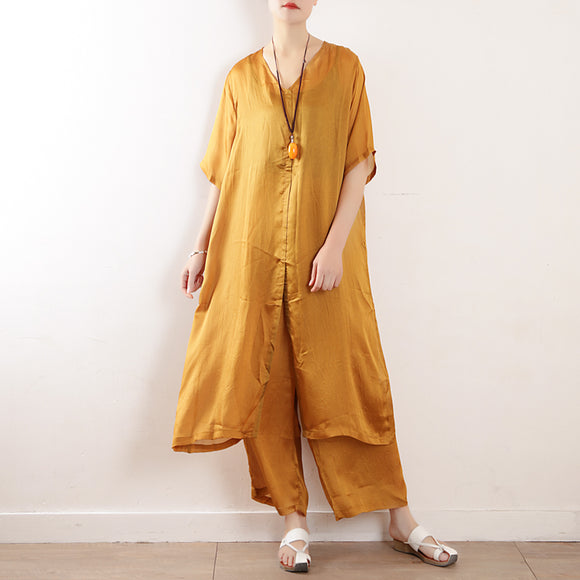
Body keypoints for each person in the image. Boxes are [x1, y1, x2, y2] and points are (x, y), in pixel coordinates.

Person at [172, 0, 458, 572]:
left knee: (351, 378)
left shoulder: (346, 67)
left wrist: (334, 246)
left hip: (325, 258)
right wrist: (200, 246)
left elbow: (359, 162)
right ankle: (293, 521)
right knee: (264, 382)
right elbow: (223, 172)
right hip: (249, 253)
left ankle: (400, 517)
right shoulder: (240, 78)